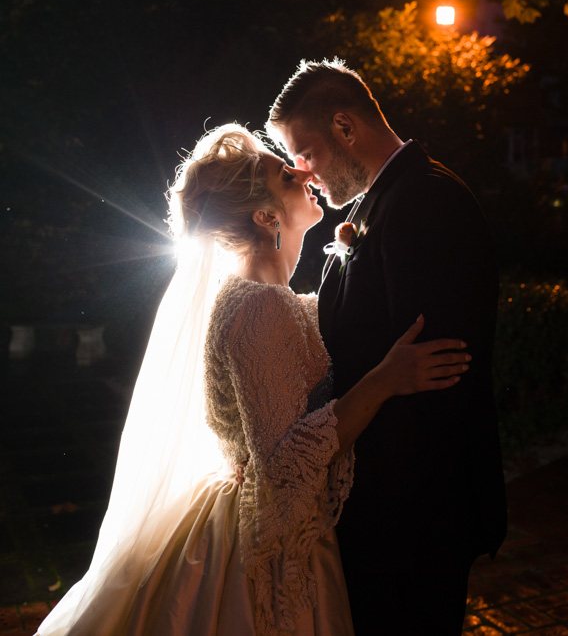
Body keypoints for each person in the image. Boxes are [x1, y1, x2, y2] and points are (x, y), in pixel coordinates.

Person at [36, 124, 471, 636]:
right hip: (259, 548)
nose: (305, 172)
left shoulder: (268, 299)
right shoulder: (258, 308)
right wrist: (385, 381)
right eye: (288, 174)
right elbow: (283, 466)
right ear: (266, 217)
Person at [267, 60, 508, 636]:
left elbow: (437, 374)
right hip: (383, 507)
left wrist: (384, 519)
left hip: (414, 512)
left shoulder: (425, 201)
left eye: (306, 152)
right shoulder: (385, 201)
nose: (304, 174)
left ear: (345, 128)